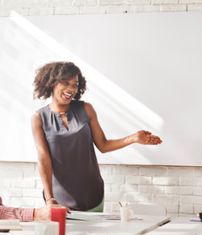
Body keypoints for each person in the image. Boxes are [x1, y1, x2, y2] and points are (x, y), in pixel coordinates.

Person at [31, 61, 162, 212]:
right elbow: (44, 160)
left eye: (75, 84)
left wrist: (133, 138)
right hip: (59, 199)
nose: (71, 89)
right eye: (65, 83)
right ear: (51, 83)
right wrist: (49, 199)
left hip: (92, 195)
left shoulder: (86, 109)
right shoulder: (39, 118)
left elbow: (103, 145)